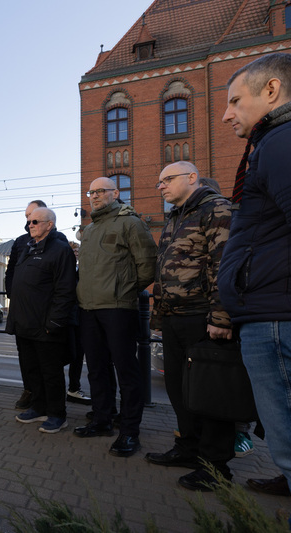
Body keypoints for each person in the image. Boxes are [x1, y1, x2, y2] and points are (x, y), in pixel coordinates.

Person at [219, 52, 291, 495]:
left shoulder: (281, 141)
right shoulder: (273, 142)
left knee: (286, 436)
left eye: (234, 101)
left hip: (276, 318)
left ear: (271, 90)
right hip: (270, 311)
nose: (226, 114)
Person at [145, 161, 235, 491]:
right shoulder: (175, 216)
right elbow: (163, 271)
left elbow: (224, 264)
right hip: (173, 318)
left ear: (192, 178)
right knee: (179, 390)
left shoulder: (216, 208)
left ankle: (216, 469)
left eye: (167, 179)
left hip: (203, 318)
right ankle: (189, 450)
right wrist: (158, 317)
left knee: (209, 394)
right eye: (159, 181)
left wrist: (221, 317)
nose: (161, 186)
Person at [73, 177, 157, 458]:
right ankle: (102, 420)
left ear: (115, 193)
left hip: (118, 308)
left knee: (126, 370)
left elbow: (147, 266)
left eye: (101, 191)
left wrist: (124, 292)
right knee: (96, 368)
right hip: (89, 308)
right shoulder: (91, 229)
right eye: (91, 192)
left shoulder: (130, 223)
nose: (95, 196)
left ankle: (130, 431)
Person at [7, 208, 77, 433]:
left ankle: (57, 414)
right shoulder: (28, 247)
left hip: (45, 324)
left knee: (51, 371)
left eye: (35, 221)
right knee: (32, 370)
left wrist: (54, 323)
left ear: (50, 224)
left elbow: (65, 290)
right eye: (28, 221)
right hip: (24, 322)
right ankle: (39, 408)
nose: (30, 225)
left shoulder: (60, 249)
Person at [5, 200, 46, 411]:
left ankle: (44, 397)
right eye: (27, 216)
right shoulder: (21, 241)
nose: (29, 220)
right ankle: (28, 390)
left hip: (41, 312)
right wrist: (14, 295)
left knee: (43, 357)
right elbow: (10, 271)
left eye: (33, 216)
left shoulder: (54, 242)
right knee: (25, 355)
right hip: (20, 310)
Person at [66, 241, 91, 406]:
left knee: (78, 355)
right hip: (69, 317)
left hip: (80, 317)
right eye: (73, 251)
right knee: (69, 354)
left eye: (77, 252)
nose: (76, 254)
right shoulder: (65, 270)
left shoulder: (82, 270)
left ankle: (74, 389)